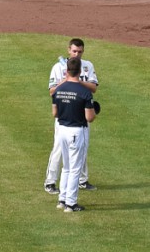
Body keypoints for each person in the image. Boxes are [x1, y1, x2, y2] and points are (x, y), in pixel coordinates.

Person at [44, 38, 99, 196]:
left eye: (80, 51)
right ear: (69, 50)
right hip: (64, 114)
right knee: (58, 149)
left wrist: (77, 81)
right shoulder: (58, 67)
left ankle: (82, 180)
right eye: (74, 51)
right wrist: (67, 81)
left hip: (82, 113)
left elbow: (93, 87)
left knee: (83, 147)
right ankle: (50, 182)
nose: (77, 54)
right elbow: (52, 91)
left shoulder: (87, 66)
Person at [52, 56, 96, 213]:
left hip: (62, 130)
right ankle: (71, 203)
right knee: (75, 169)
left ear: (67, 71)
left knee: (66, 167)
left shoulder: (58, 89)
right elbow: (89, 117)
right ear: (80, 71)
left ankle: (62, 200)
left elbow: (55, 113)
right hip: (77, 131)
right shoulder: (84, 92)